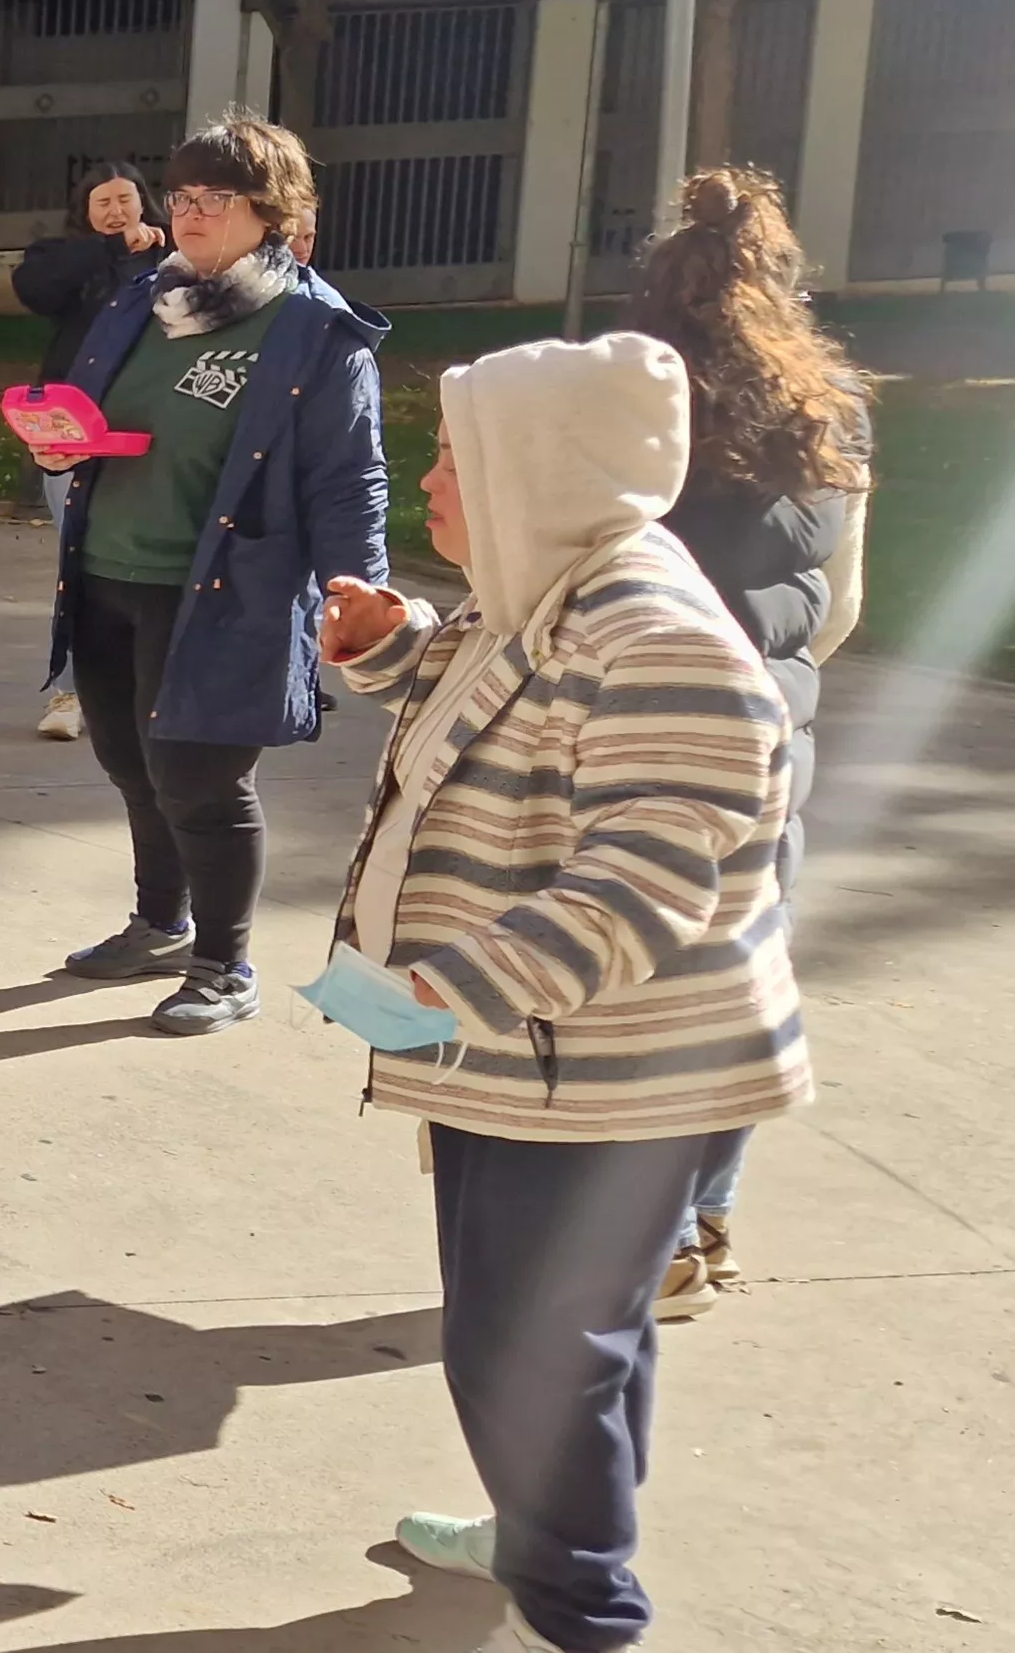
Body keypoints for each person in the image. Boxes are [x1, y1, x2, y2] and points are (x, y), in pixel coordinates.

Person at [316, 333, 807, 1653]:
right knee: (585, 1333)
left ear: (536, 472)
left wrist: (435, 992)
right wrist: (389, 650)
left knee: (525, 1353)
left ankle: (581, 1615)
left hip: (608, 1072)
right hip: (517, 1056)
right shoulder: (542, 593)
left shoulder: (660, 639)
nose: (427, 478)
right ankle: (550, 1540)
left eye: (451, 455)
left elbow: (636, 893)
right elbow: (486, 717)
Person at [30, 116, 389, 1036]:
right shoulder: (146, 298)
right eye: (181, 196)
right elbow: (94, 399)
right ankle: (161, 922)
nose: (188, 215)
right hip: (109, 567)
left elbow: (350, 473)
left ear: (270, 214)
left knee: (201, 779)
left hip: (228, 587)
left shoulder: (313, 328)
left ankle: (224, 965)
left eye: (213, 200)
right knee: (130, 762)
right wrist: (64, 436)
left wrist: (360, 591)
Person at [617, 166, 874, 1320]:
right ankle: (704, 1220)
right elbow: (842, 608)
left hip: (642, 726)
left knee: (635, 989)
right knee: (736, 980)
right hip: (777, 731)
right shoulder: (834, 413)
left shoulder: (633, 402)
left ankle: (659, 1237)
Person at [9, 163, 170, 742]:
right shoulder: (67, 257)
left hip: (155, 432)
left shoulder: (174, 255)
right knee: (80, 561)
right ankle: (70, 693)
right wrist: (107, 248)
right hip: (74, 432)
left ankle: (148, 689)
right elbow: (34, 289)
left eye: (125, 199)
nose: (116, 210)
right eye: (102, 202)